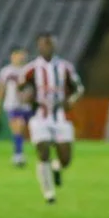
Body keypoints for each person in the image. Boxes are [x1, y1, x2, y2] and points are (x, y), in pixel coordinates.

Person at [19, 33, 84, 203]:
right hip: (39, 117)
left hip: (60, 118)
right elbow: (20, 88)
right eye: (43, 44)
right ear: (38, 46)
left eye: (49, 44)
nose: (46, 47)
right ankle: (49, 193)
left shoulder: (65, 67)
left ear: (54, 46)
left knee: (65, 159)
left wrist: (70, 101)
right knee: (43, 151)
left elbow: (79, 89)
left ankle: (57, 167)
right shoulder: (31, 69)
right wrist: (26, 97)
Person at [0, 47, 31, 167]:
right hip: (12, 105)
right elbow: (1, 88)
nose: (21, 57)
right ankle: (18, 155)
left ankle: (20, 152)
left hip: (28, 106)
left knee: (23, 130)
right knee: (18, 127)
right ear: (12, 56)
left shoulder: (29, 70)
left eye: (22, 54)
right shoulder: (6, 71)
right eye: (18, 54)